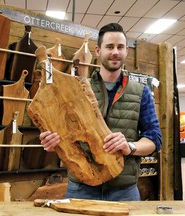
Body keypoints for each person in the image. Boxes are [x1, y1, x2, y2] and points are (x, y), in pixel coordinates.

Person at [39, 23, 162, 201]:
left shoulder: (141, 92)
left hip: (124, 191)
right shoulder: (77, 89)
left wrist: (130, 147)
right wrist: (52, 142)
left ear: (126, 51)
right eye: (109, 46)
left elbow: (154, 139)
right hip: (82, 187)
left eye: (120, 47)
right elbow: (63, 133)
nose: (115, 52)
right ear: (98, 51)